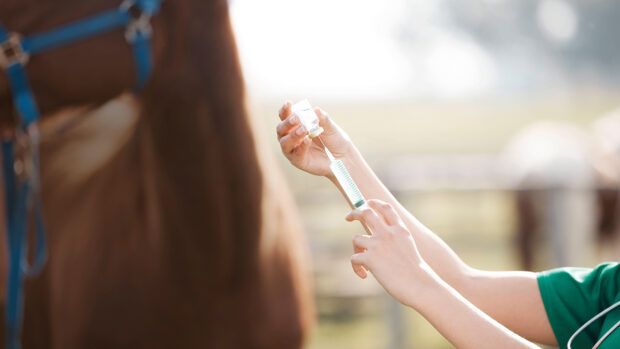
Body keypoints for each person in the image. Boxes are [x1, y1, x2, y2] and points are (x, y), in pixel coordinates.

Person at [275, 102, 620, 349]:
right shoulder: (611, 291)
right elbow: (464, 285)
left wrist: (419, 285)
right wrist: (342, 161)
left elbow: (441, 285)